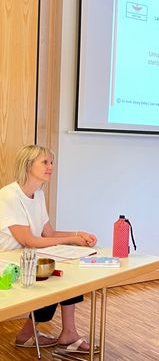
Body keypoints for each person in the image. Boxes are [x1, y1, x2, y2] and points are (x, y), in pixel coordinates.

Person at [0, 145, 98, 353]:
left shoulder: (39, 195)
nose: (50, 167)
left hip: (26, 259)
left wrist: (78, 234)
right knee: (55, 277)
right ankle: (43, 334)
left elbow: (49, 234)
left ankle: (64, 333)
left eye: (51, 162)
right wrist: (71, 239)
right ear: (28, 165)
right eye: (45, 162)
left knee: (66, 274)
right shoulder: (9, 196)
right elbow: (28, 240)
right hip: (7, 264)